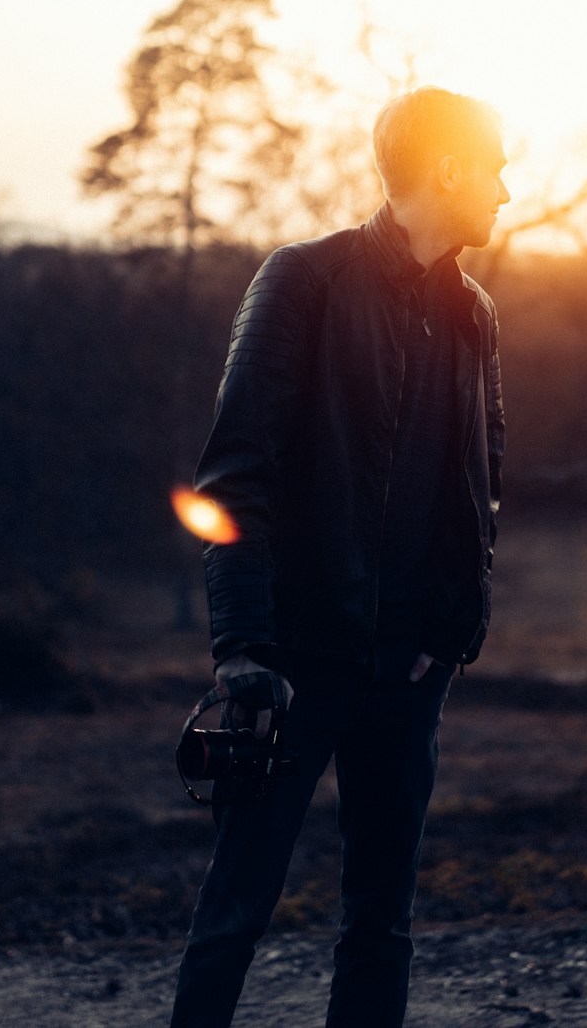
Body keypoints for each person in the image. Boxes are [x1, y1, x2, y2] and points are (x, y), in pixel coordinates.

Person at [169, 86, 509, 1028]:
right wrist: (243, 651)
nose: (507, 191)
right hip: (292, 670)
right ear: (445, 169)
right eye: (495, 166)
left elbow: (481, 491)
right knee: (233, 916)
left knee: (381, 926)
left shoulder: (476, 312)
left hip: (409, 676)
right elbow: (233, 479)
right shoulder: (302, 279)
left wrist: (450, 641)